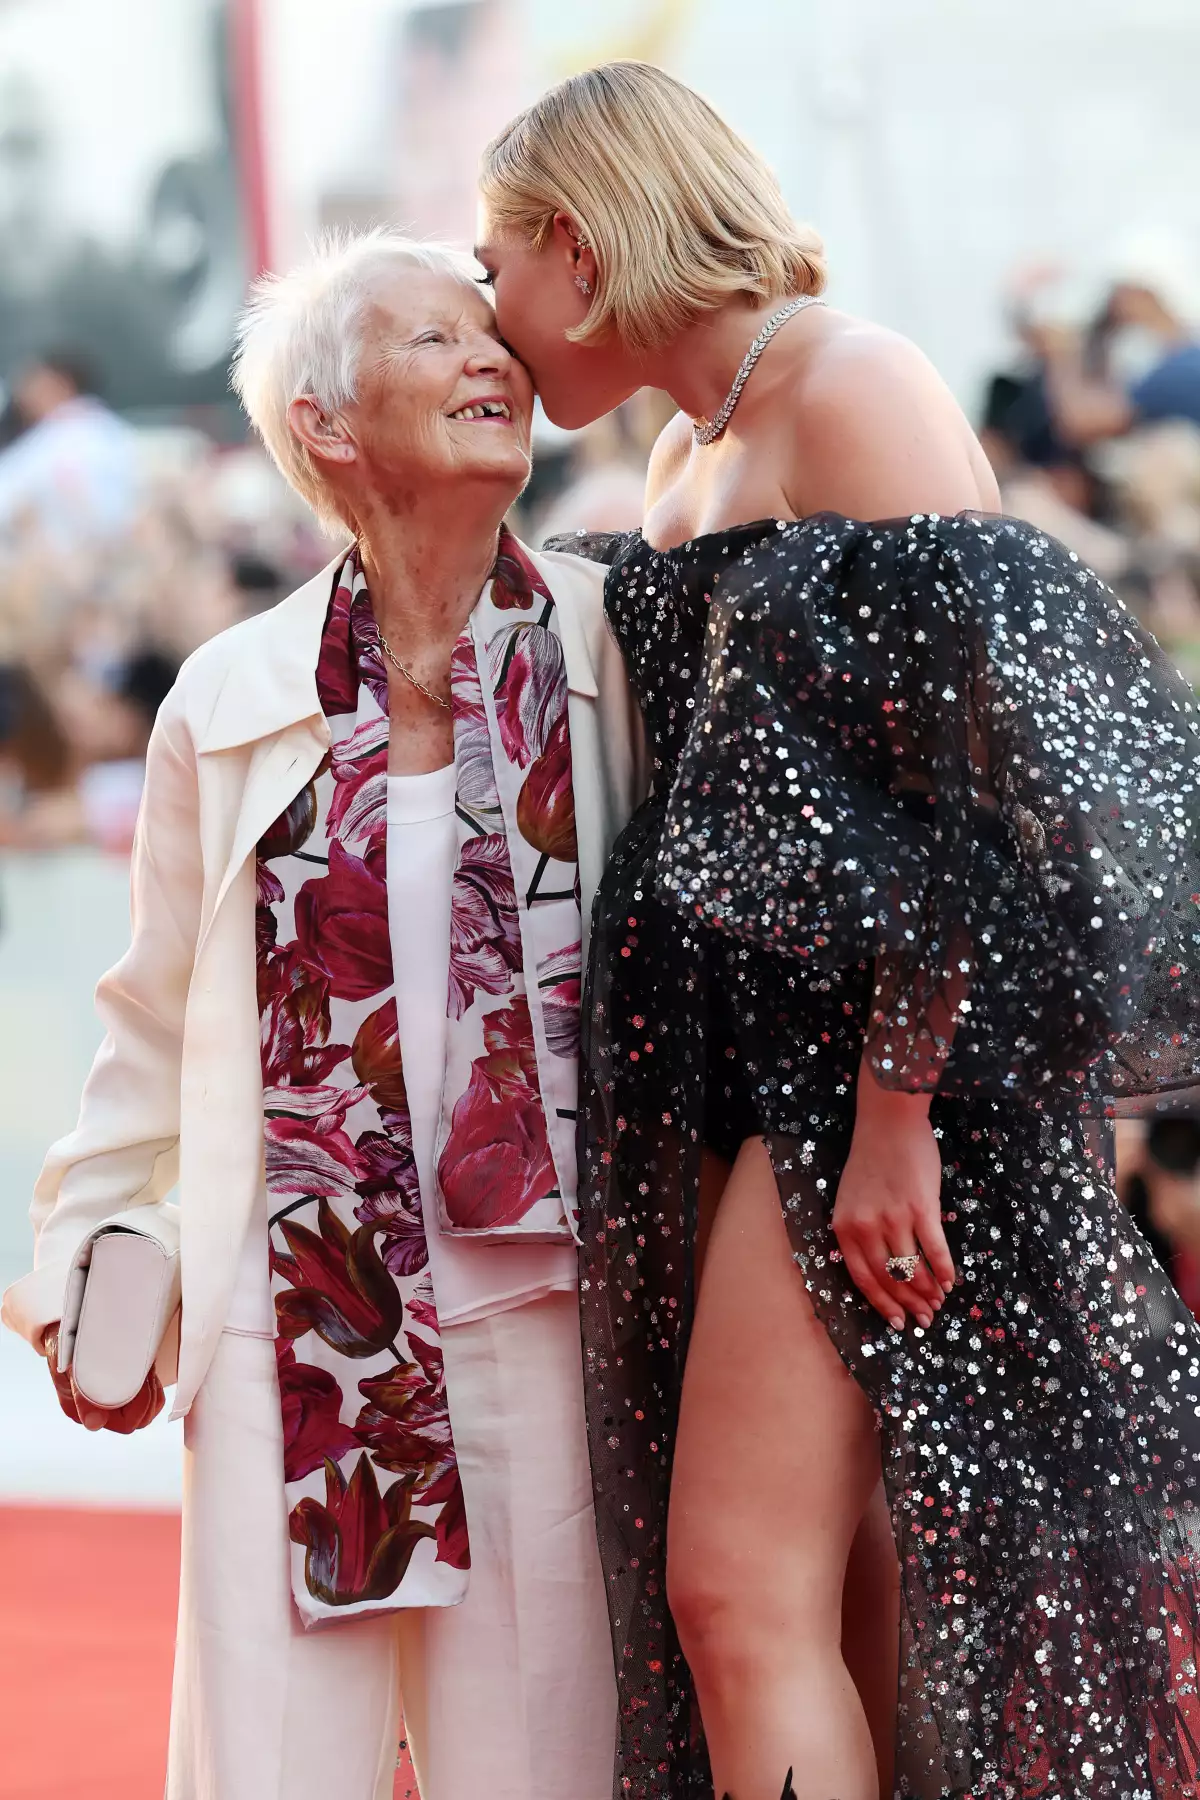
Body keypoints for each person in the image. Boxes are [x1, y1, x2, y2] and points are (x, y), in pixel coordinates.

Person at [477, 61, 1200, 1800]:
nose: (486, 312)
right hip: (724, 1062)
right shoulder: (686, 444)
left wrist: (898, 1115)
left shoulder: (853, 382)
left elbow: (981, 791)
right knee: (849, 1579)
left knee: (733, 1585)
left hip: (864, 1076)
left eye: (495, 261)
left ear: (580, 246)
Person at [1, 230, 647, 1800]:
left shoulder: (616, 644)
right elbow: (151, 1016)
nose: (492, 359)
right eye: (433, 341)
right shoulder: (225, 694)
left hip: (548, 1315)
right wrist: (88, 1249)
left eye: (490, 336)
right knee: (274, 1769)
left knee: (549, 1767)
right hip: (289, 1312)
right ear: (328, 429)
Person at [0, 350, 142, 549]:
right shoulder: (85, 430)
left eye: (35, 381)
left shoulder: (79, 434)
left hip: (61, 558)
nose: (24, 392)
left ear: (62, 384)